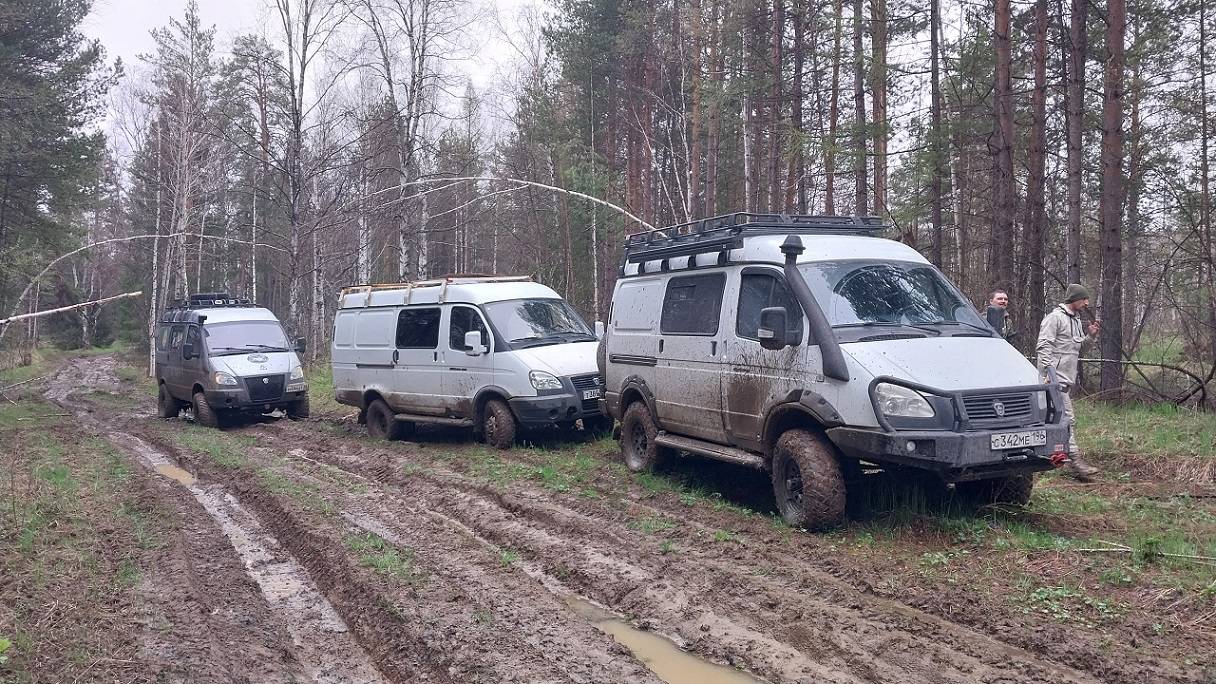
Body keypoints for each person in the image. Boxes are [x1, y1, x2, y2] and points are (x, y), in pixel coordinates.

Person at [1035, 284, 1101, 481]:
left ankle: (1054, 459)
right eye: (1084, 299)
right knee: (1067, 419)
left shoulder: (1075, 320)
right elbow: (1043, 346)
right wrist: (1049, 375)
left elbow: (1078, 350)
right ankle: (1076, 462)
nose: (1087, 303)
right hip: (1054, 382)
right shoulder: (1054, 318)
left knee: (1052, 421)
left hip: (1064, 381)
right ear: (1074, 299)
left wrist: (1090, 336)